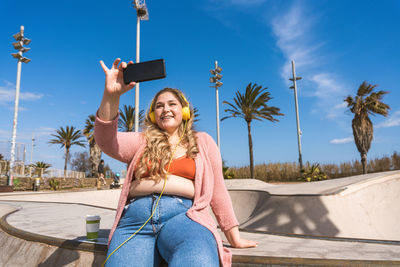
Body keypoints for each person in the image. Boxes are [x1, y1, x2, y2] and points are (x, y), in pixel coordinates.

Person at [94, 58, 257, 267]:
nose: (166, 109)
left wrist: (234, 236)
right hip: (136, 219)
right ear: (153, 115)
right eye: (159, 106)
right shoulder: (141, 141)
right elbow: (106, 141)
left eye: (172, 104)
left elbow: (218, 190)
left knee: (198, 261)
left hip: (185, 217)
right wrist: (111, 95)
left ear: (185, 111)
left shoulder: (203, 142)